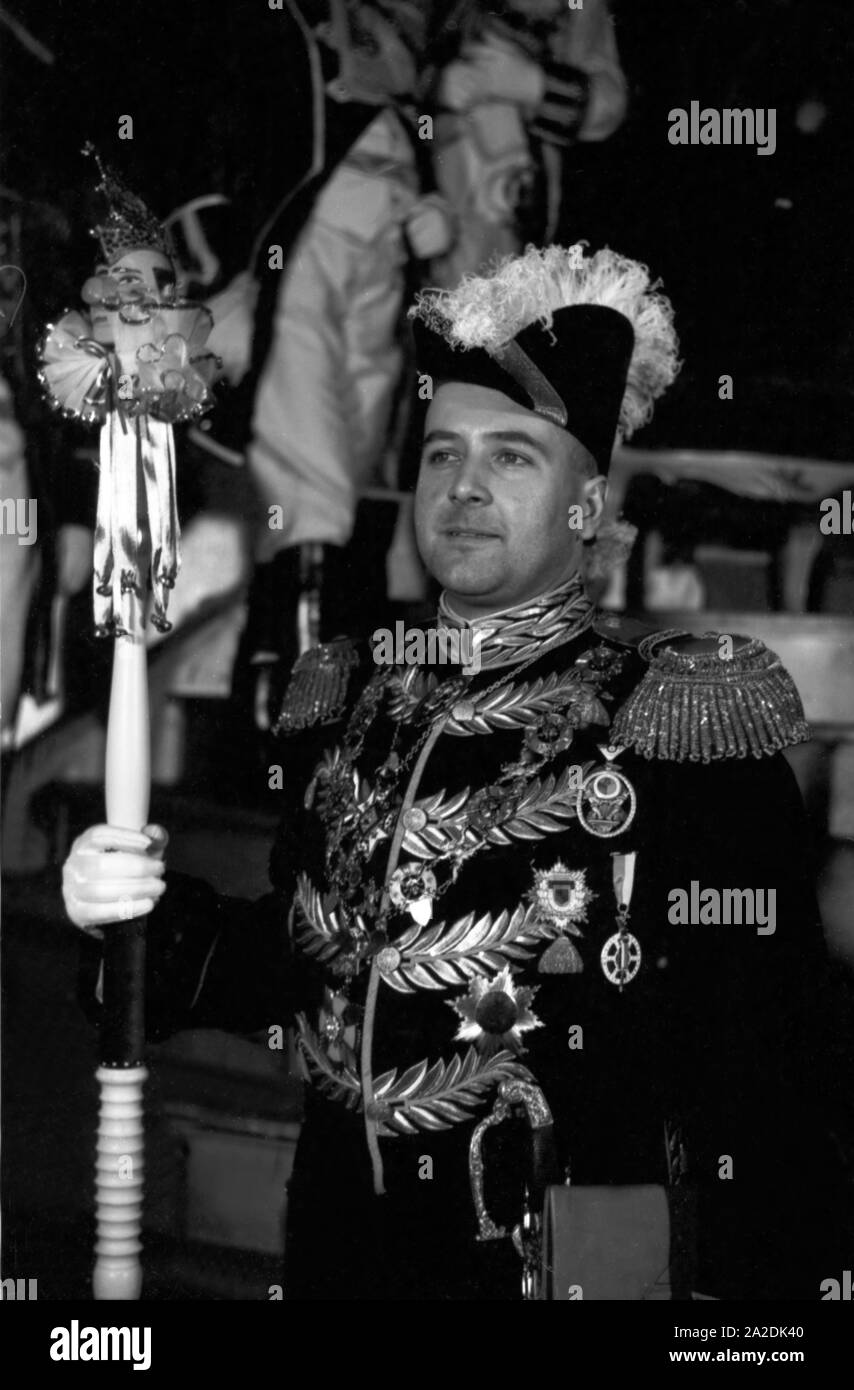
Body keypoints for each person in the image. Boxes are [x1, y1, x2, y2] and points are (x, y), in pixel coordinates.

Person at [62, 245, 849, 1300]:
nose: (463, 487)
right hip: (341, 1256)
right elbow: (309, 957)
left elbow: (768, 1079)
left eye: (513, 457)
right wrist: (127, 912)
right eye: (440, 454)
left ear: (587, 501)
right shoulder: (344, 696)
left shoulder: (678, 723)